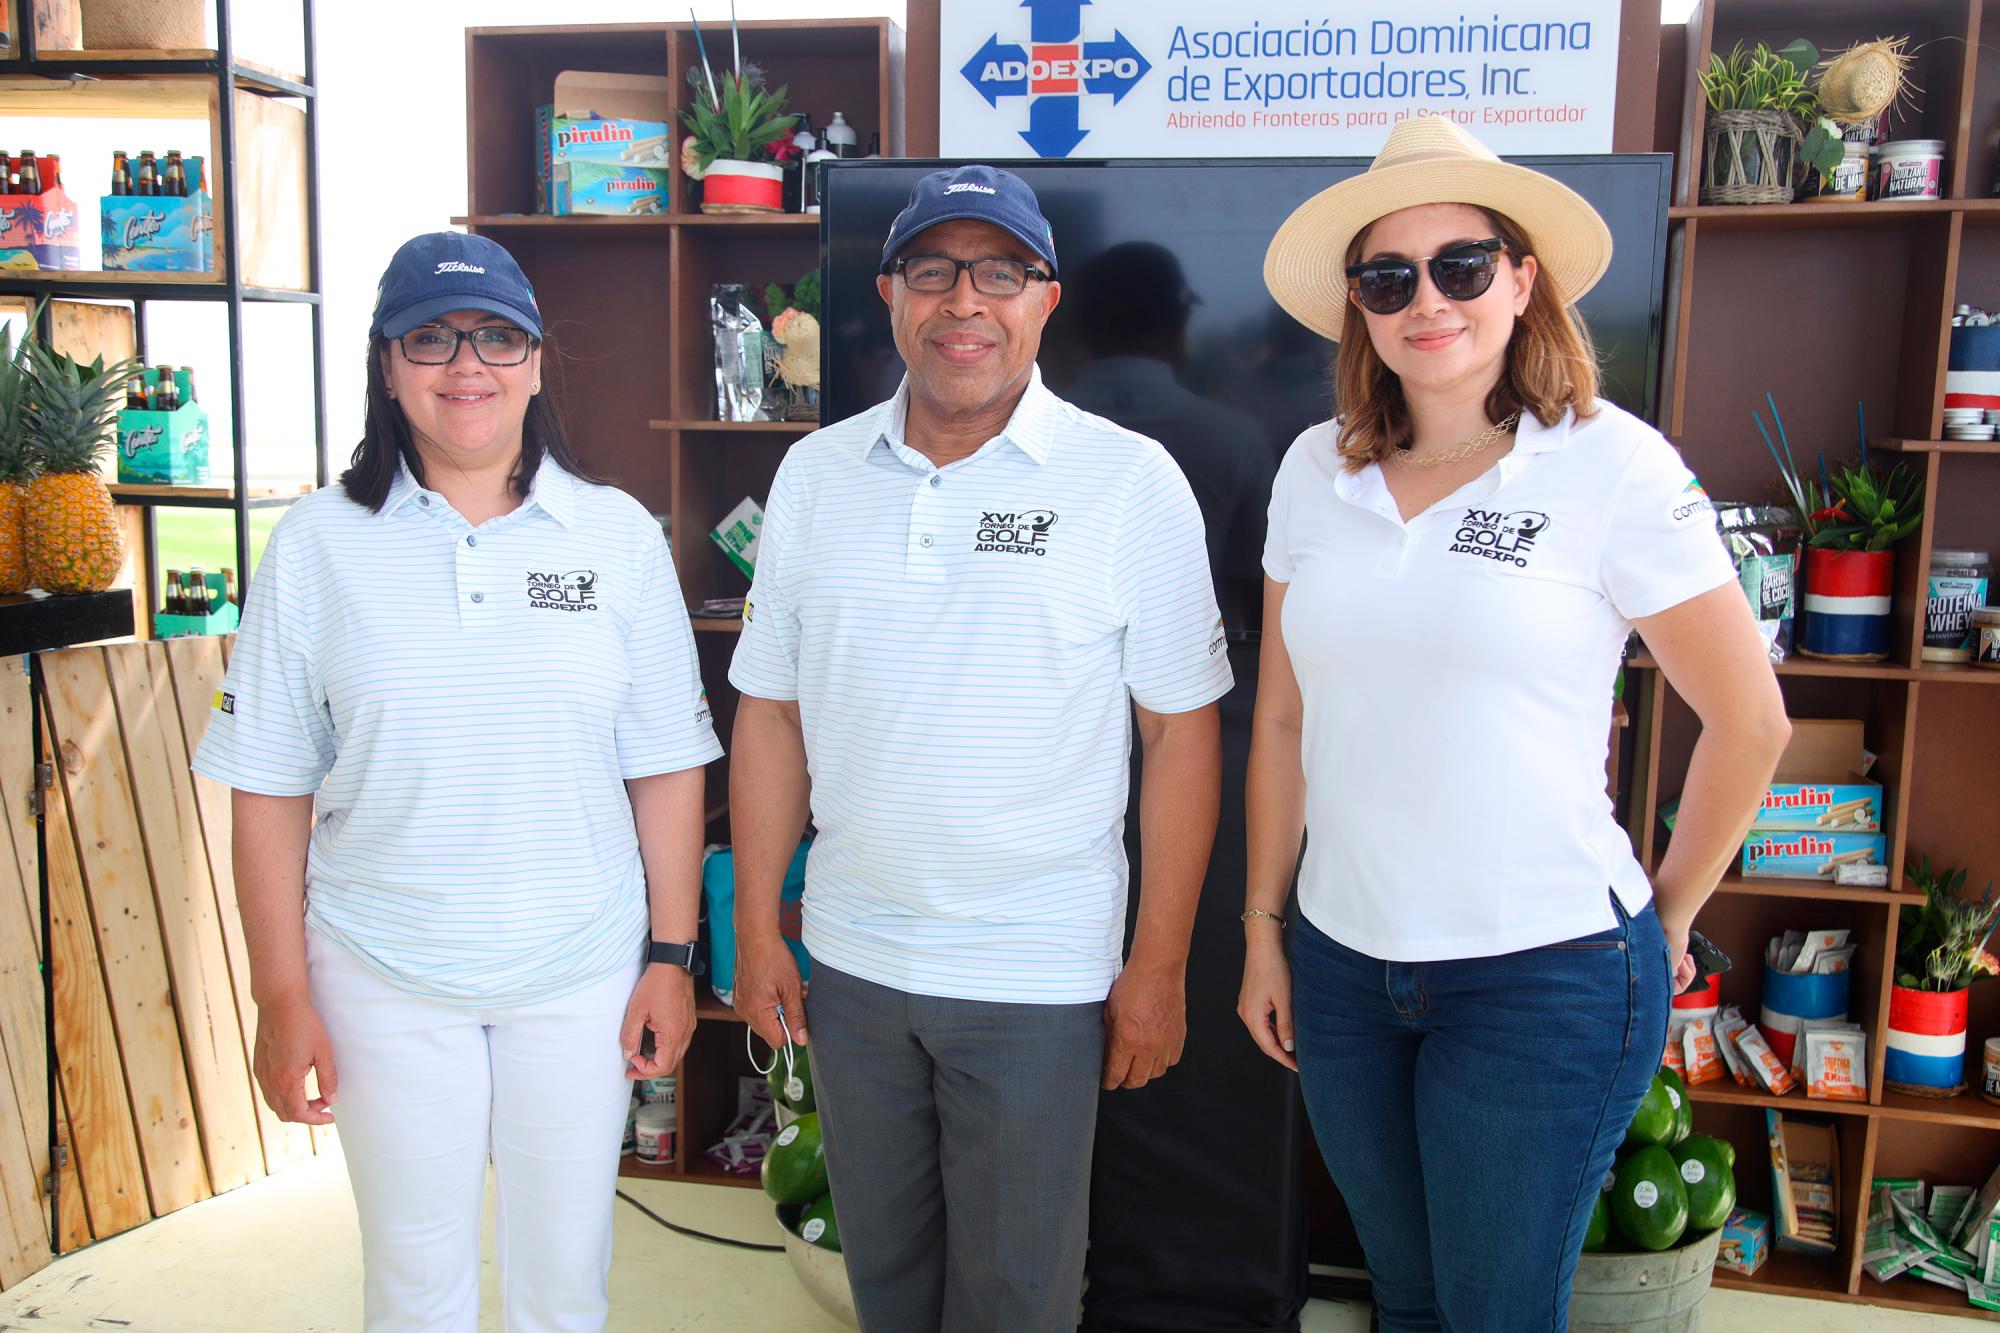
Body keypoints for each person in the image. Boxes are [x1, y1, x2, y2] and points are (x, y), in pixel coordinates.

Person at [1239, 118, 1792, 1330]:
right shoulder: (1309, 474)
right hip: (1341, 968)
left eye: (1461, 265)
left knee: (1494, 1313)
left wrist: (1671, 914)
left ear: (1521, 277)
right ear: (1358, 308)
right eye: (1387, 278)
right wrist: (1262, 928)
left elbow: (1749, 720)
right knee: (1412, 1298)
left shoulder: (1611, 468)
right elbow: (1280, 719)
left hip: (1541, 978)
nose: (1424, 301)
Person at [728, 164, 1232, 1333]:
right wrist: (759, 923)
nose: (965, 301)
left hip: (1035, 976)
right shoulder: (814, 475)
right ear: (890, 293)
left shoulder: (1125, 481)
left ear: (1044, 299)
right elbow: (770, 710)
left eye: (999, 271)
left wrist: (1154, 967)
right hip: (851, 967)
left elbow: (1179, 734)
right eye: (933, 270)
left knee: (1013, 1301)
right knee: (887, 1291)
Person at [192, 231, 721, 1333]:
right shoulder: (318, 545)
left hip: (578, 969)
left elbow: (666, 765)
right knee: (412, 1285)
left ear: (534, 361)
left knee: (564, 1282)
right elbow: (267, 786)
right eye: (429, 338)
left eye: (495, 336)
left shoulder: (616, 537)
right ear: (387, 367)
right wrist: (279, 996)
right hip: (380, 969)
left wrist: (670, 959)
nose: (464, 363)